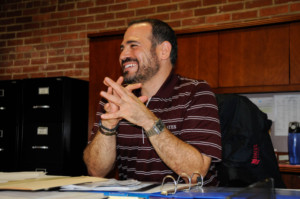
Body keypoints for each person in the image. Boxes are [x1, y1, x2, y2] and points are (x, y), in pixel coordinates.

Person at [83, 19, 221, 186]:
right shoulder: (116, 96)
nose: (123, 55)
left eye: (133, 45)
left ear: (163, 51)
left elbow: (195, 174)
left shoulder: (196, 91)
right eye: (122, 48)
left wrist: (147, 120)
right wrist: (108, 125)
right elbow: (96, 172)